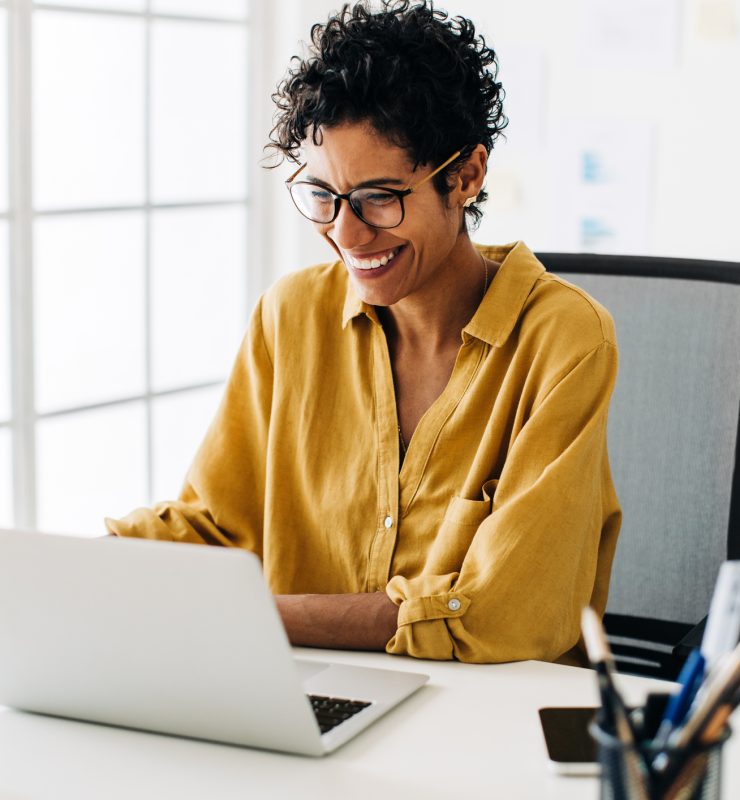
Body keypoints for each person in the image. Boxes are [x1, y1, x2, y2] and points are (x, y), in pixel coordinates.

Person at [106, 0, 621, 665]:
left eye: (379, 197)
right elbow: (218, 527)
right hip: (304, 698)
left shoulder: (566, 339)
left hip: (491, 727)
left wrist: (257, 615)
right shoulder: (288, 317)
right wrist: (91, 568)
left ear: (465, 176)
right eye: (322, 195)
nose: (345, 235)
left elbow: (508, 611)